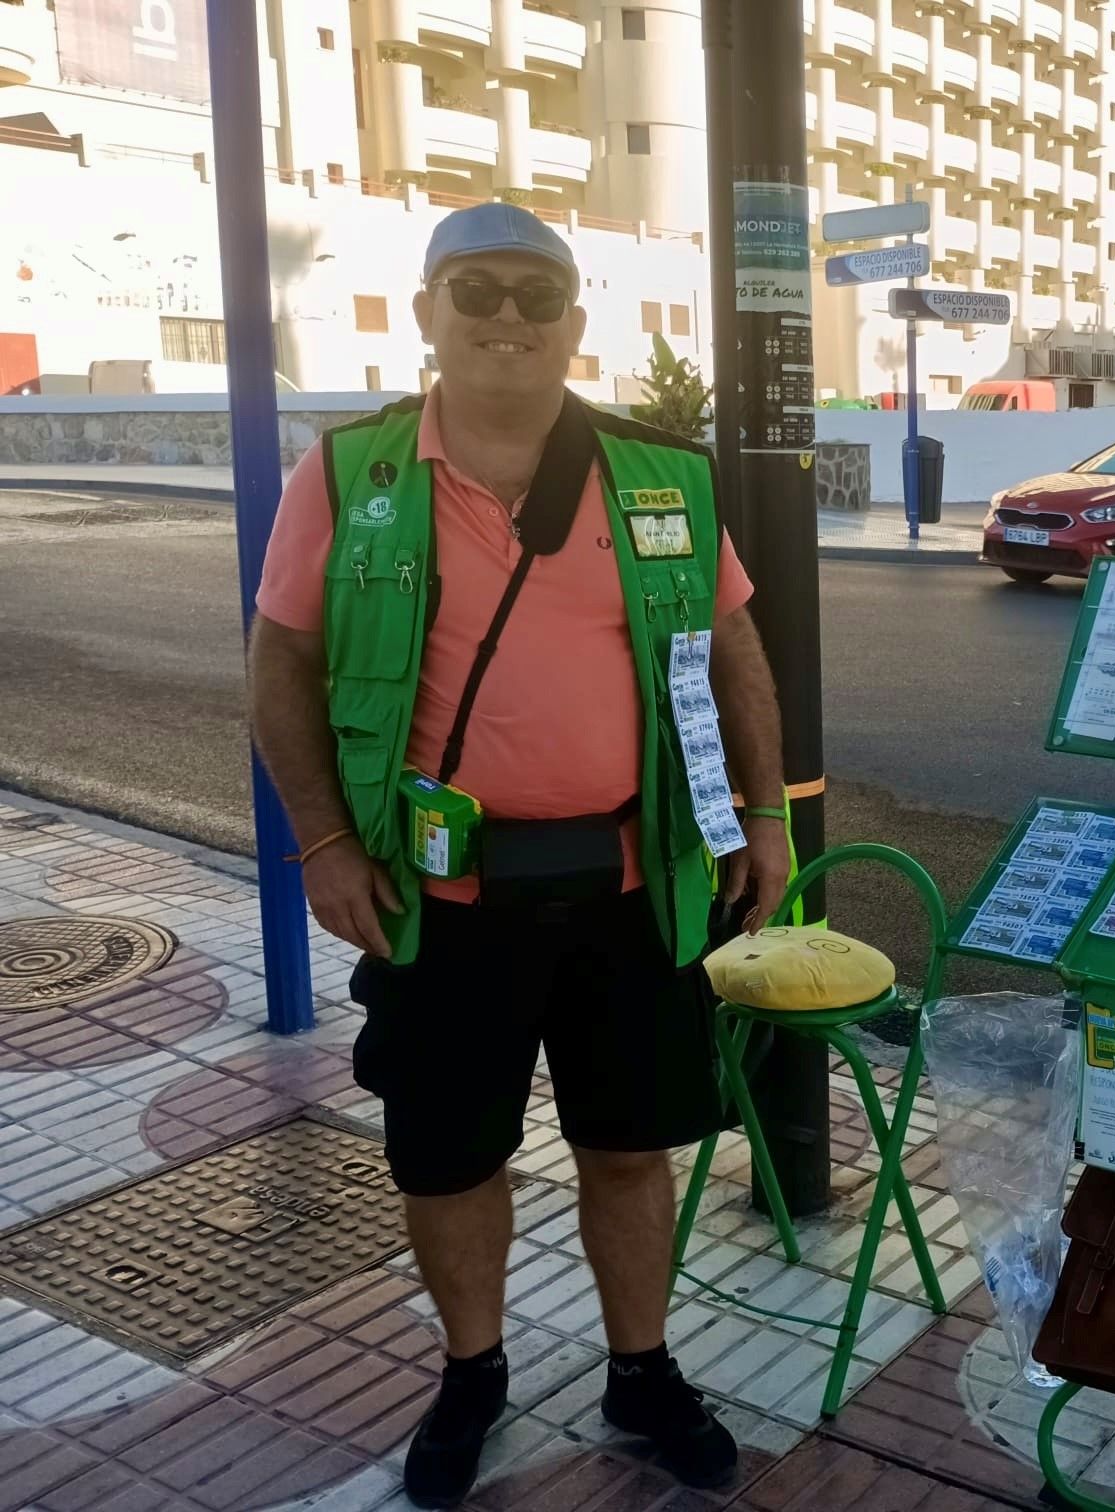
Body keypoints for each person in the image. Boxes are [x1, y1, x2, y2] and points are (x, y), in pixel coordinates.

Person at [248, 203, 791, 1507]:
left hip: (626, 887)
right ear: (428, 312)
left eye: (533, 295)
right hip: (442, 899)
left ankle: (642, 1369)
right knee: (449, 1154)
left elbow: (735, 655)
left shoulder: (660, 478)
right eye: (474, 290)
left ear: (573, 325)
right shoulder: (351, 476)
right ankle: (473, 1370)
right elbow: (282, 659)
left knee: (628, 1147)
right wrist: (321, 840)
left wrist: (764, 818)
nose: (505, 318)